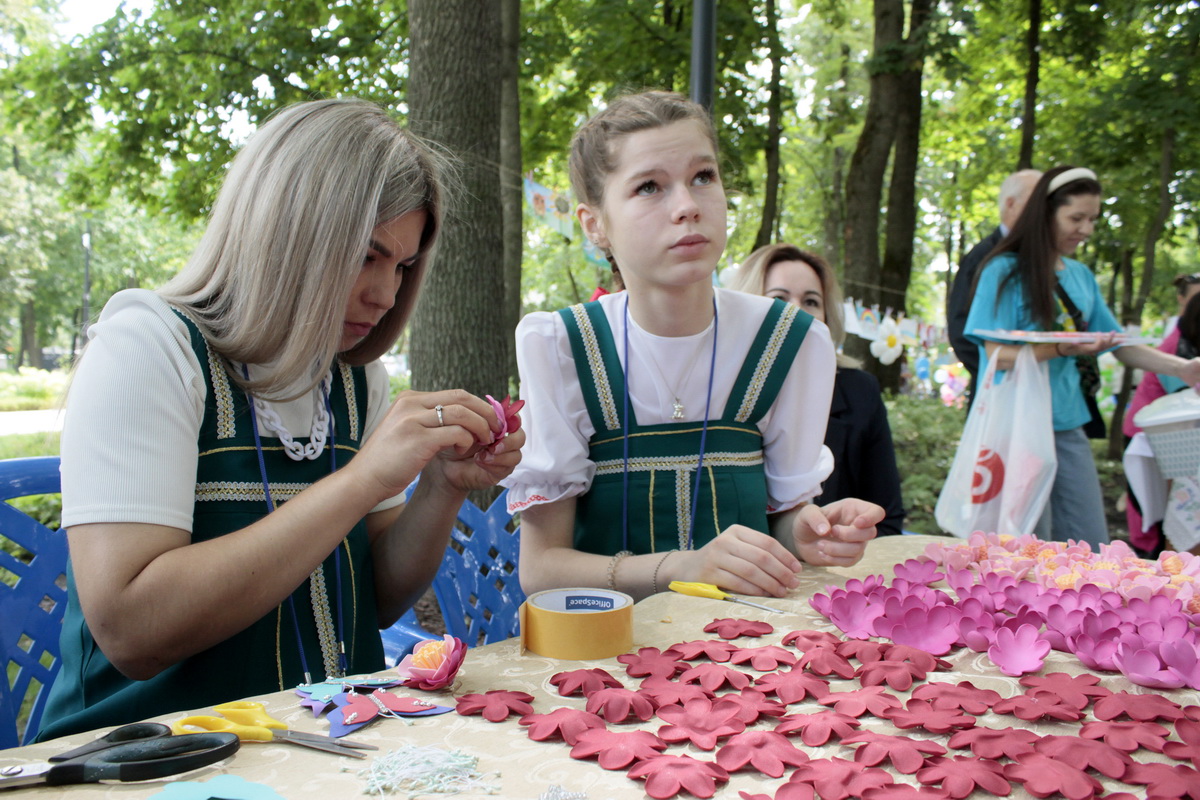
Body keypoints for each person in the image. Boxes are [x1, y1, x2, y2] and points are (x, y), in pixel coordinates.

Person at [36, 99, 525, 740]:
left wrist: (440, 487)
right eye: (365, 256)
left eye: (402, 267)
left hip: (324, 753)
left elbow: (375, 597)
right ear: (286, 232)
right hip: (141, 761)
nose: (385, 294)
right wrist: (358, 482)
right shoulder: (149, 349)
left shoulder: (353, 380)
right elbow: (132, 630)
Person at [503, 91, 883, 602]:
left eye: (703, 177)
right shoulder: (563, 346)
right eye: (649, 187)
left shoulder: (788, 341)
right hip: (601, 650)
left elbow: (785, 521)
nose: (687, 207)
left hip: (747, 649)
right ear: (595, 225)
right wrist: (688, 567)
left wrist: (809, 534)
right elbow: (542, 569)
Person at [965, 165, 1200, 548]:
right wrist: (1059, 348)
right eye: (1076, 218)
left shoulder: (1080, 276)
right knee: (1025, 546)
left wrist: (1185, 369)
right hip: (1017, 430)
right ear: (1046, 213)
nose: (1086, 230)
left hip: (1068, 427)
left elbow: (1118, 344)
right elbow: (996, 355)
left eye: (1092, 219)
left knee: (1088, 543)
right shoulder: (1003, 271)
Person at [727, 244, 906, 537]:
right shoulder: (714, 391)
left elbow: (886, 517)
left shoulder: (860, 390)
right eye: (779, 298)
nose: (796, 312)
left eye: (810, 301)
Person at [947, 170, 1042, 408]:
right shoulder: (984, 258)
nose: (1044, 212)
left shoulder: (1039, 258)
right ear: (1011, 204)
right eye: (1037, 202)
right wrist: (999, 375)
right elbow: (961, 332)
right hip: (998, 399)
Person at [1122, 288, 1200, 555]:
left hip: (1176, 437)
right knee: (1157, 515)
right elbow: (1185, 400)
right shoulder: (1177, 348)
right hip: (1153, 437)